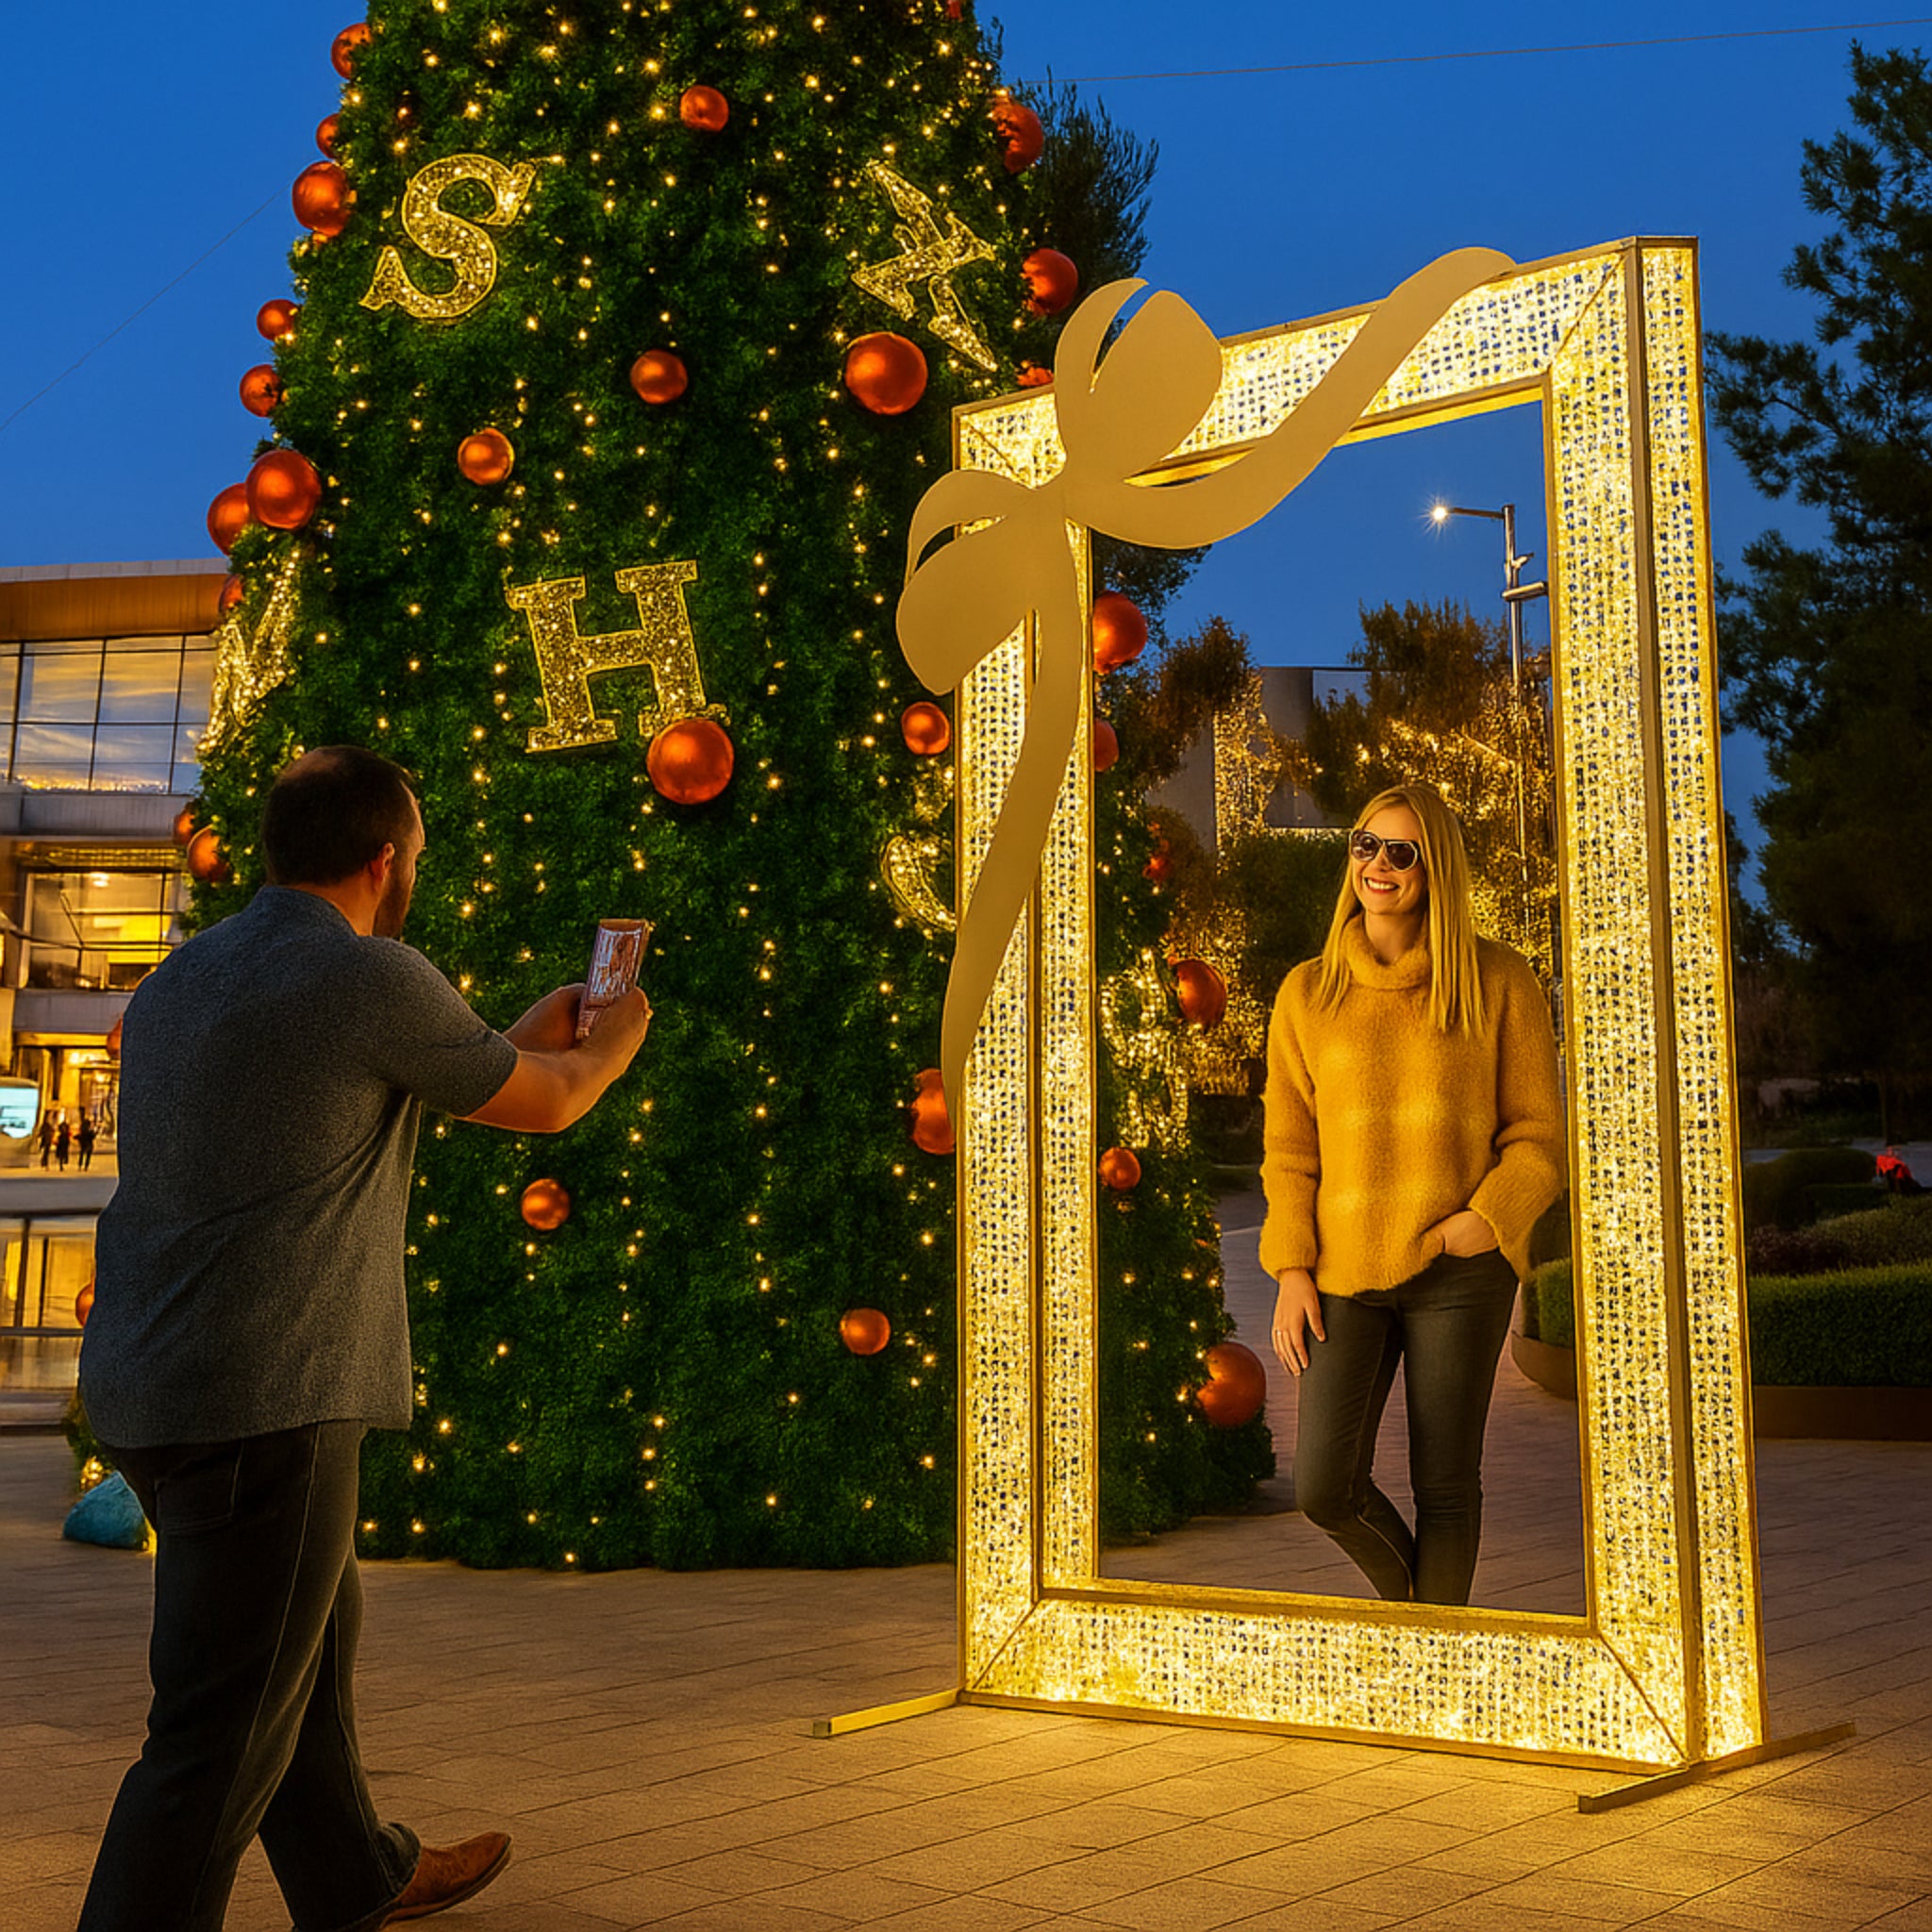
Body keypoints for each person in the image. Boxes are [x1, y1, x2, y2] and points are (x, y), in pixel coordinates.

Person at [76, 746, 653, 1932]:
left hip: (149, 1376)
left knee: (308, 1632)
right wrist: (612, 1035)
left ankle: (355, 1874)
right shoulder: (366, 974)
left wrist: (513, 1032)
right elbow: (547, 1098)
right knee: (216, 1734)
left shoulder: (186, 977)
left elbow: (362, 1089)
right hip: (265, 1393)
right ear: (387, 860)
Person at [1261, 783, 1565, 1607]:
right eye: (1367, 845)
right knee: (1325, 1488)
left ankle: (1436, 1674)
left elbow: (1540, 1137)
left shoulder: (1497, 981)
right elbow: (1289, 1152)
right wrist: (1291, 1269)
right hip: (1341, 1273)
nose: (1380, 866)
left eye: (1402, 851)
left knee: (1446, 1488)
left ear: (1436, 868)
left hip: (1458, 1272)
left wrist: (1485, 1221)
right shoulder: (1306, 994)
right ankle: (1428, 1638)